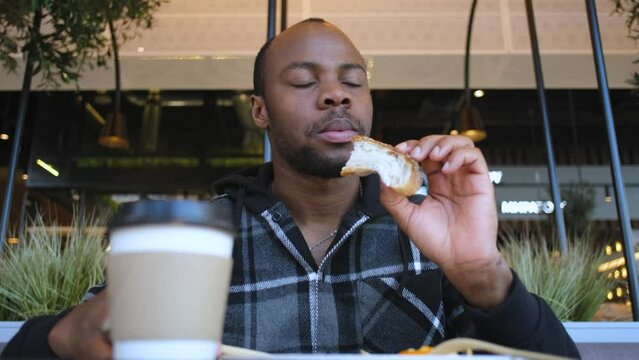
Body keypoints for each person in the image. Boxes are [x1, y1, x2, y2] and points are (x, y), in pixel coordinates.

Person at [2, 18, 580, 359]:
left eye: (353, 82)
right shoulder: (200, 236)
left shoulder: (426, 235)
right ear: (259, 110)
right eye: (304, 81)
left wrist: (480, 270)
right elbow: (74, 339)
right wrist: (63, 335)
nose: (336, 95)